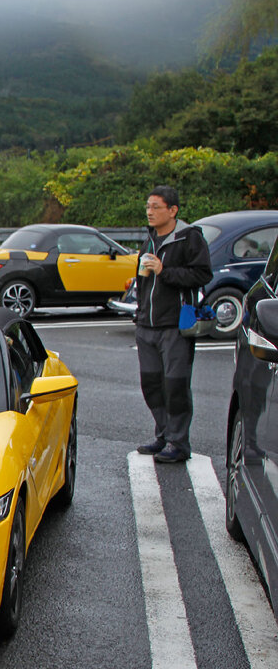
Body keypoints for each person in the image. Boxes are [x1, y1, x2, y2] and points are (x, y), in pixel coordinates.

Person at [134, 185, 212, 463]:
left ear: (173, 210)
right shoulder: (150, 238)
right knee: (151, 384)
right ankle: (163, 434)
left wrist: (165, 271)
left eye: (156, 207)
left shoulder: (189, 238)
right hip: (146, 324)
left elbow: (202, 274)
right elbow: (145, 279)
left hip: (175, 325)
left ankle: (179, 443)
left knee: (175, 385)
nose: (149, 211)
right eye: (148, 206)